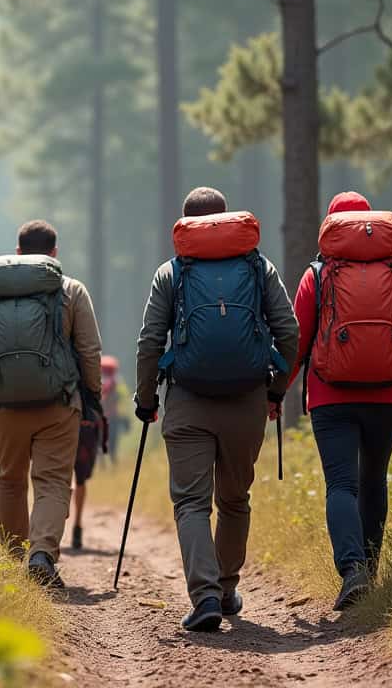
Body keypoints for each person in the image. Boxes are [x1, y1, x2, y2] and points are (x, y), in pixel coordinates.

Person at [135, 187, 299, 632]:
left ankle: (204, 596)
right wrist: (275, 390)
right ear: (226, 219)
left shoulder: (171, 272)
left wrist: (146, 399)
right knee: (234, 499)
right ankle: (226, 590)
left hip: (188, 401)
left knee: (191, 502)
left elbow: (150, 342)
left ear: (184, 224)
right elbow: (288, 332)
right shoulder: (258, 267)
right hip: (247, 400)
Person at [288, 191, 392, 611]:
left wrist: (276, 391)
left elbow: (297, 342)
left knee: (341, 484)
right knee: (374, 479)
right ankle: (370, 574)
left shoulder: (317, 276)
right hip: (388, 394)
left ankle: (352, 570)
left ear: (331, 228)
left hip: (330, 396)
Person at [0, 220, 102, 588]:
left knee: (10, 479)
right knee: (53, 481)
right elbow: (90, 350)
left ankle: (15, 563)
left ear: (18, 252)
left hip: (5, 404)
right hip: (59, 403)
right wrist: (92, 397)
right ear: (54, 253)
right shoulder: (72, 290)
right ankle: (41, 554)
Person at [69, 354, 118, 550]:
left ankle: (56, 526)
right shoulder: (96, 369)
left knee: (58, 476)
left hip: (60, 424)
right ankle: (77, 525)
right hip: (87, 427)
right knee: (80, 480)